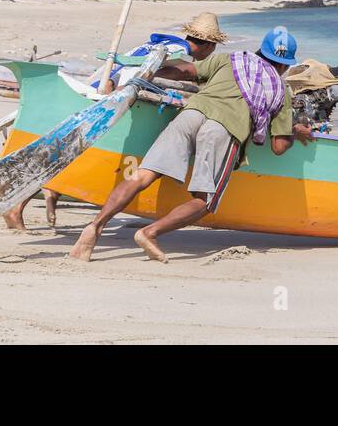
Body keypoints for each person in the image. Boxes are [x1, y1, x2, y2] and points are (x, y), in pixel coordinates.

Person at [70, 15, 311, 263]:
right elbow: (279, 146)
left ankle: (94, 227)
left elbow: (185, 71)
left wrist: (143, 74)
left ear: (261, 50)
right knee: (204, 201)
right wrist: (296, 130)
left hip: (192, 114)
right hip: (223, 130)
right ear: (286, 66)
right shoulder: (281, 90)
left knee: (142, 175)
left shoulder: (231, 59)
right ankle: (149, 233)